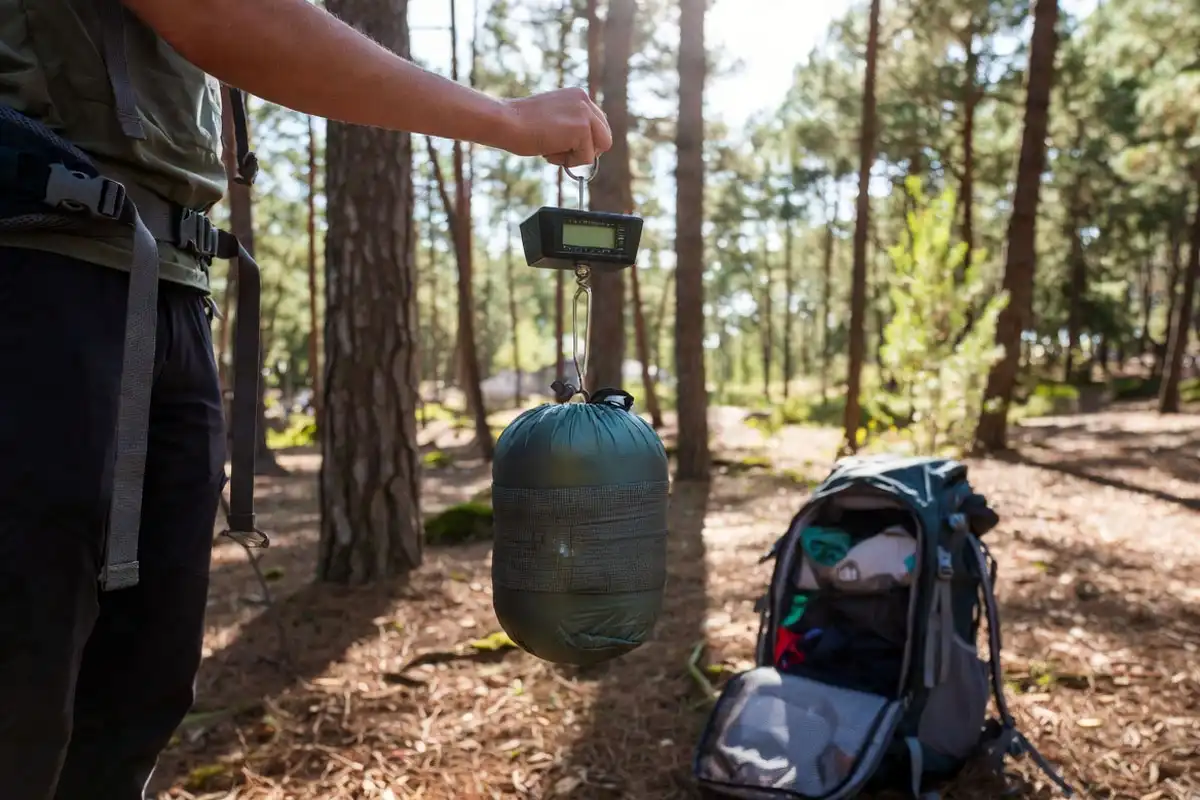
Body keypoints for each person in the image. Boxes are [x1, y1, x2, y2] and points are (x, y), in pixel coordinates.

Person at [0, 0, 612, 798]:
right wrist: (502, 119)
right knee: (23, 696)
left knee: (135, 698)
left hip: (167, 286)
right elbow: (224, 15)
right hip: (37, 279)